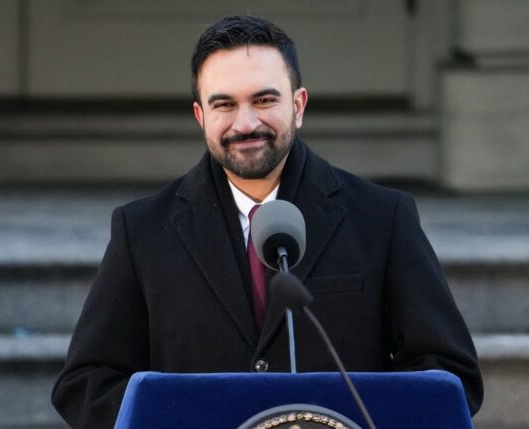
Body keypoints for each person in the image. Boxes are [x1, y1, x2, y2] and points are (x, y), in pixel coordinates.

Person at [52, 15, 483, 428]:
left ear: (298, 105)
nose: (246, 123)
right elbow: (85, 383)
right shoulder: (142, 230)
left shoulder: (383, 218)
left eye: (264, 100)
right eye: (224, 104)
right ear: (201, 116)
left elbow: (451, 376)